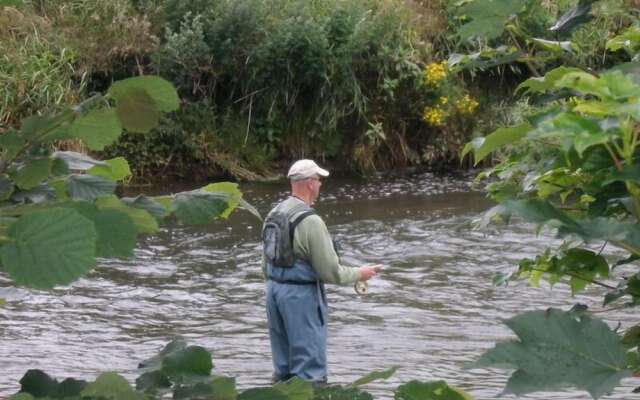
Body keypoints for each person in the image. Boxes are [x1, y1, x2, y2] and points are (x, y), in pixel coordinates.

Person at [262, 159, 379, 385]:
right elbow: (330, 272)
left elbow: (264, 264)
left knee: (283, 367)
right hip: (300, 297)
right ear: (309, 184)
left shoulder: (273, 214)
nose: (320, 185)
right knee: (309, 369)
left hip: (273, 293)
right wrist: (360, 273)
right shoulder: (311, 221)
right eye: (318, 180)